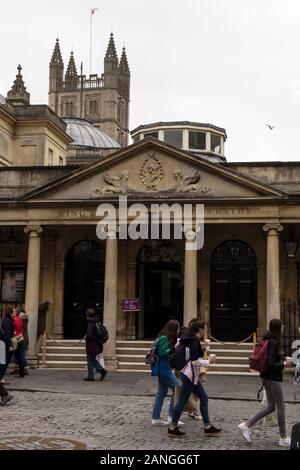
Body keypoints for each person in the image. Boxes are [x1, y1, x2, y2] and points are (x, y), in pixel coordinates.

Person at [238, 319, 293, 447]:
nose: (284, 327)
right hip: (272, 378)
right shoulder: (273, 341)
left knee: (271, 406)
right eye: (282, 325)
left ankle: (246, 425)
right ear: (278, 328)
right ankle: (283, 437)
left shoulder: (268, 338)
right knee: (281, 406)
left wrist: (282, 360)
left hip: (266, 377)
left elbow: (270, 359)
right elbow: (270, 364)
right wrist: (284, 364)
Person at [168, 320, 222, 437]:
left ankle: (207, 426)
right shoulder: (194, 340)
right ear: (200, 330)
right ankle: (172, 427)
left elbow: (191, 353)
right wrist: (209, 361)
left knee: (204, 397)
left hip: (191, 375)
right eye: (205, 329)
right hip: (190, 376)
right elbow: (194, 360)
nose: (206, 331)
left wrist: (204, 350)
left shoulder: (190, 339)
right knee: (182, 401)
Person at [151, 319, 183, 426]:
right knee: (178, 387)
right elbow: (163, 353)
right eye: (177, 329)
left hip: (162, 369)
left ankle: (156, 418)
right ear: (173, 329)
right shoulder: (164, 338)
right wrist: (174, 347)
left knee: (161, 394)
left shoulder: (162, 337)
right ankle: (171, 416)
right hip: (164, 369)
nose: (178, 331)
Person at [84, 308, 107, 382]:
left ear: (87, 315)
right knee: (92, 359)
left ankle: (91, 376)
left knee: (90, 360)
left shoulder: (90, 323)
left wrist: (87, 339)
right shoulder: (96, 321)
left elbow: (90, 334)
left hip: (91, 344)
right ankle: (102, 371)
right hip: (96, 344)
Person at [0, 307, 15, 392]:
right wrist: (10, 345)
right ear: (10, 313)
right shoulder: (8, 321)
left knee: (3, 361)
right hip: (5, 344)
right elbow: (7, 335)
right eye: (14, 311)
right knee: (4, 362)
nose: (15, 313)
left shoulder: (4, 319)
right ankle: (1, 378)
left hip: (2, 342)